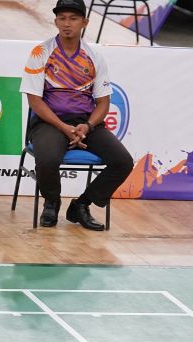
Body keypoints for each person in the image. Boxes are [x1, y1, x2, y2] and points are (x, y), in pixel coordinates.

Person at [20, 0, 134, 231]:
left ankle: (81, 204)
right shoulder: (41, 53)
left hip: (86, 124)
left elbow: (103, 102)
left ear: (85, 22)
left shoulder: (94, 56)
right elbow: (35, 100)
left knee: (123, 162)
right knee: (48, 159)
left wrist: (88, 126)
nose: (66, 24)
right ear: (55, 22)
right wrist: (63, 127)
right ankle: (51, 202)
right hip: (49, 122)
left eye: (73, 18)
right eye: (61, 18)